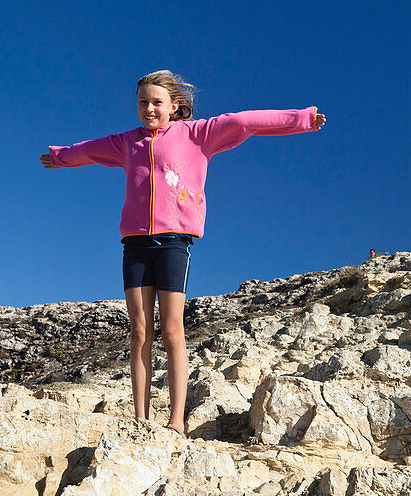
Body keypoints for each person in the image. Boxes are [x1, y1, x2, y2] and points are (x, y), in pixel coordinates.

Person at [39, 70, 325, 435]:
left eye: (157, 102)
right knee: (139, 331)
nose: (149, 109)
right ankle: (140, 419)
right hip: (135, 245)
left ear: (175, 106)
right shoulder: (129, 143)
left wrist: (301, 119)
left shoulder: (197, 135)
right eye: (142, 102)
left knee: (173, 330)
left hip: (175, 243)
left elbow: (244, 121)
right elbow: (90, 150)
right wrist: (60, 156)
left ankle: (176, 421)